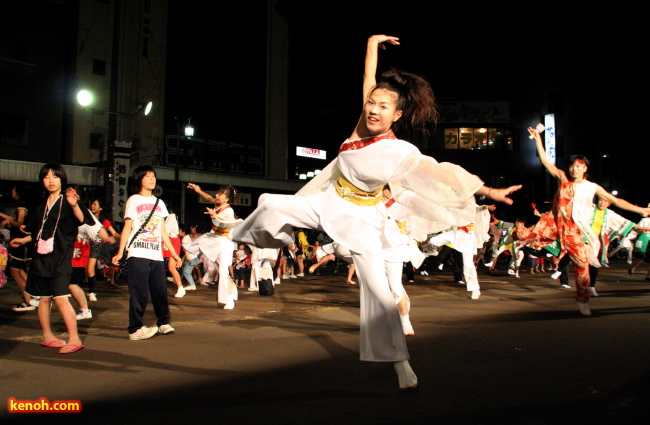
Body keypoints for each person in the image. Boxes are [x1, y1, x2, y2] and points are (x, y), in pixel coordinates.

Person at [230, 34, 521, 390]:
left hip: (364, 219)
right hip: (327, 201)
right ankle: (261, 259)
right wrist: (370, 44)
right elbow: (368, 80)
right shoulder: (360, 125)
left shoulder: (399, 151)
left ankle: (400, 365)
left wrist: (487, 189)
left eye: (383, 106)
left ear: (397, 114)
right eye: (372, 103)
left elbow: (439, 172)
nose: (374, 108)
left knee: (381, 296)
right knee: (269, 203)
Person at [519, 127, 650, 316]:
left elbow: (617, 201)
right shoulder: (563, 179)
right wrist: (537, 139)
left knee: (582, 265)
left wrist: (639, 210)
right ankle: (512, 239)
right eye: (572, 165)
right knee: (524, 235)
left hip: (574, 230)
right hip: (553, 222)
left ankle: (583, 300)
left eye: (579, 166)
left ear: (585, 168)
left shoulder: (592, 187)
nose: (574, 168)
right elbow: (545, 161)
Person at [10, 163, 94, 353]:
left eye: (55, 176)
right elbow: (40, 232)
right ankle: (47, 336)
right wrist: (24, 240)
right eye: (46, 177)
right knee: (44, 298)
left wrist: (74, 205)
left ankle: (74, 338)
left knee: (61, 298)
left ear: (62, 179)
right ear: (42, 180)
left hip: (61, 257)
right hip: (41, 257)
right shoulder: (42, 205)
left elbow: (81, 219)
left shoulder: (68, 200)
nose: (50, 180)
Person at [112, 165, 182, 340]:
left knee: (160, 290)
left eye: (153, 176)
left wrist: (173, 254)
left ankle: (164, 323)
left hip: (156, 255)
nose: (152, 179)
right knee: (140, 292)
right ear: (139, 179)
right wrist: (121, 252)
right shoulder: (133, 200)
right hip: (138, 252)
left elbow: (163, 232)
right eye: (148, 176)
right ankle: (135, 328)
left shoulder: (159, 203)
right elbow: (127, 227)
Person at [193, 184, 242, 309]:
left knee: (223, 270)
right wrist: (198, 190)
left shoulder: (228, 210)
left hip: (225, 242)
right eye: (217, 193)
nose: (217, 196)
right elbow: (209, 197)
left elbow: (225, 220)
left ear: (226, 199)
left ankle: (230, 298)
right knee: (192, 246)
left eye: (220, 194)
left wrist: (215, 216)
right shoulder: (217, 204)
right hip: (213, 237)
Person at [1, 184, 38, 311]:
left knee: (15, 270)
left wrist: (10, 222)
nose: (11, 191)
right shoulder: (29, 205)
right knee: (20, 270)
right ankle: (33, 296)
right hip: (26, 242)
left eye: (13, 189)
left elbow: (20, 223)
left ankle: (28, 300)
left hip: (20, 242)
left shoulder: (22, 205)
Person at [88, 198, 121, 292]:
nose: (92, 206)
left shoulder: (104, 221)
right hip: (86, 243)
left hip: (98, 245)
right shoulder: (88, 217)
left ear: (100, 208)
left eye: (95, 205)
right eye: (92, 204)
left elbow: (114, 233)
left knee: (93, 267)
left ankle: (92, 289)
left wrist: (123, 237)